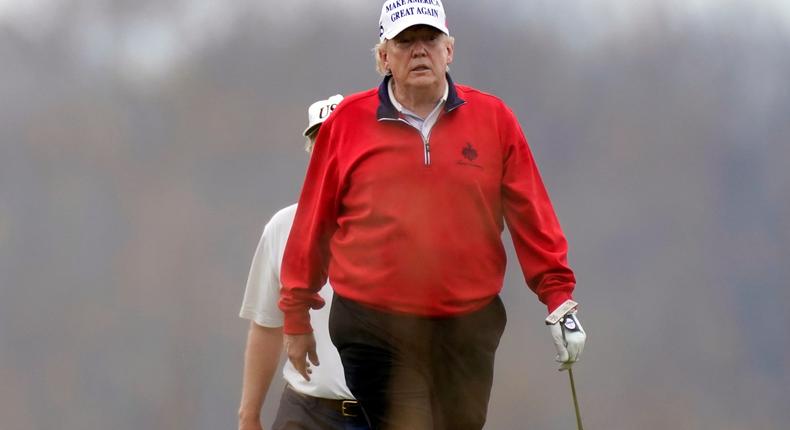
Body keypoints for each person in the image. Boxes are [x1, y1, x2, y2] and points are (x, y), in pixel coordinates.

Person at [279, 1, 587, 429]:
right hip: (373, 323)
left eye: (430, 39)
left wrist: (559, 298)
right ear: (384, 57)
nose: (419, 51)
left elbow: (531, 215)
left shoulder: (493, 119)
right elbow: (313, 223)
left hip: (467, 324)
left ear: (450, 50)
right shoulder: (347, 123)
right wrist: (296, 314)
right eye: (405, 42)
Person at [238, 94, 370, 430]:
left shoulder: (395, 224)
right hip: (307, 413)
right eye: (321, 142)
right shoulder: (283, 227)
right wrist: (249, 414)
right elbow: (267, 326)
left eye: (341, 141)